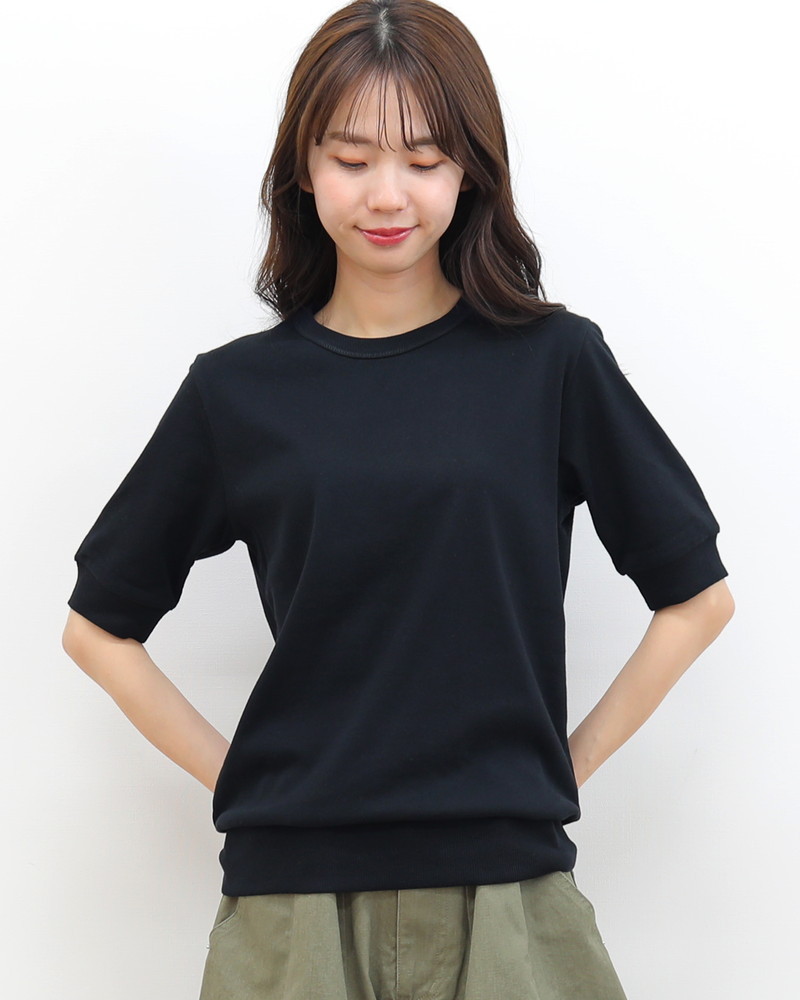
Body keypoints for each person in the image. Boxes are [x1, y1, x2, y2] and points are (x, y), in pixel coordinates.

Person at [61, 1, 735, 998]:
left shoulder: (553, 364)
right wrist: (242, 780)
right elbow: (96, 628)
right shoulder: (235, 392)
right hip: (291, 909)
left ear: (470, 170)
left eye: (423, 160)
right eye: (351, 157)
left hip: (509, 895)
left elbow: (697, 598)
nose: (388, 194)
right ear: (302, 167)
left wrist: (557, 770)